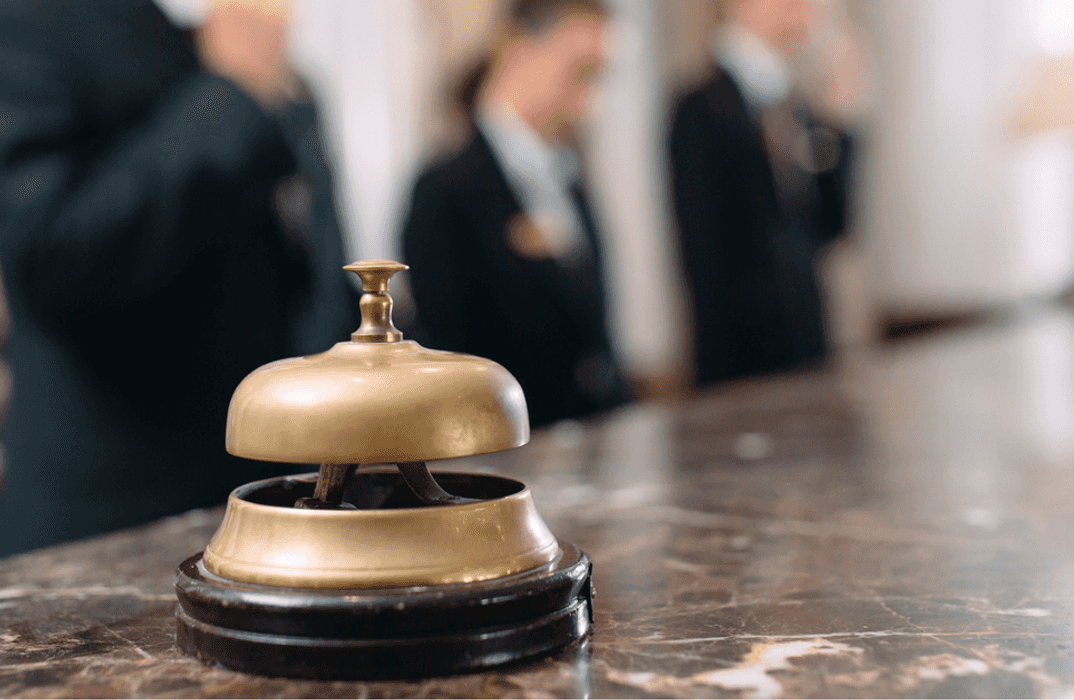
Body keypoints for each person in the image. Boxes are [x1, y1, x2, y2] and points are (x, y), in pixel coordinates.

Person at [0, 0, 353, 555]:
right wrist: (232, 93)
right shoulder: (32, 18)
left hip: (266, 502)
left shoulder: (246, 45)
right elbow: (50, 254)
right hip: (114, 529)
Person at [402, 0, 628, 428]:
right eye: (580, 71)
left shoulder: (570, 179)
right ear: (520, 51)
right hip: (508, 442)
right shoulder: (447, 189)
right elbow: (450, 355)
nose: (591, 100)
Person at [668, 0, 857, 387]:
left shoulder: (796, 105)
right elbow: (703, 257)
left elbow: (831, 224)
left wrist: (840, 123)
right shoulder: (699, 108)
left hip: (807, 347)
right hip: (742, 362)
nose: (803, 9)